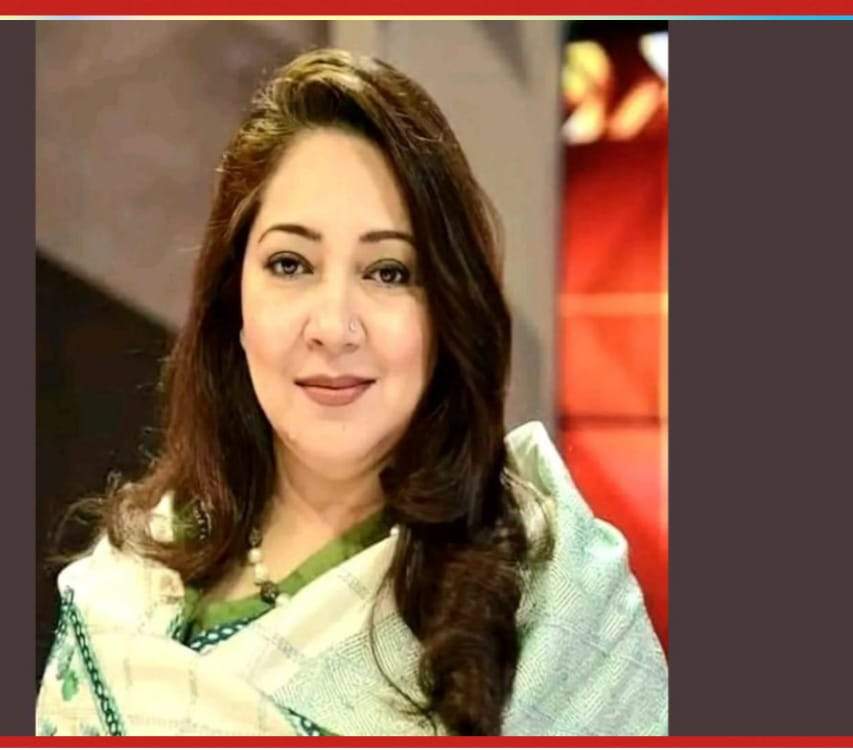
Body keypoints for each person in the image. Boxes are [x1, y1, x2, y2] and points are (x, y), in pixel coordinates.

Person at [36, 48, 668, 737]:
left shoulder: (552, 597)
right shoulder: (129, 584)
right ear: (233, 304)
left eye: (388, 271)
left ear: (446, 313)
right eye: (290, 264)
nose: (334, 327)